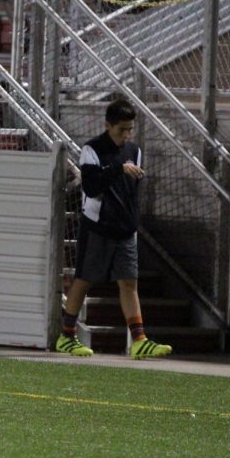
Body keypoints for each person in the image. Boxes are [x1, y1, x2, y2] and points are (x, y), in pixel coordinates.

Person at [56, 98, 173, 359]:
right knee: (84, 280)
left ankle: (140, 340)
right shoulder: (92, 150)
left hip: (125, 229)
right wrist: (117, 169)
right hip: (97, 226)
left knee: (129, 282)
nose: (126, 135)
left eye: (130, 129)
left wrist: (132, 220)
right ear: (108, 125)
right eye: (121, 129)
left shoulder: (135, 150)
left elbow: (133, 191)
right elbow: (92, 187)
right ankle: (66, 335)